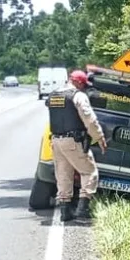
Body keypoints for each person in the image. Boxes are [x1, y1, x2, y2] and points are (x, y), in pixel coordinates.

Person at [47, 70, 107, 222]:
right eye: (83, 85)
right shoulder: (78, 96)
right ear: (79, 82)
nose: (84, 88)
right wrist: (99, 137)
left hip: (56, 140)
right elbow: (89, 119)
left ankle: (65, 211)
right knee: (89, 172)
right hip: (73, 141)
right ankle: (83, 209)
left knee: (63, 174)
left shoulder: (53, 95)